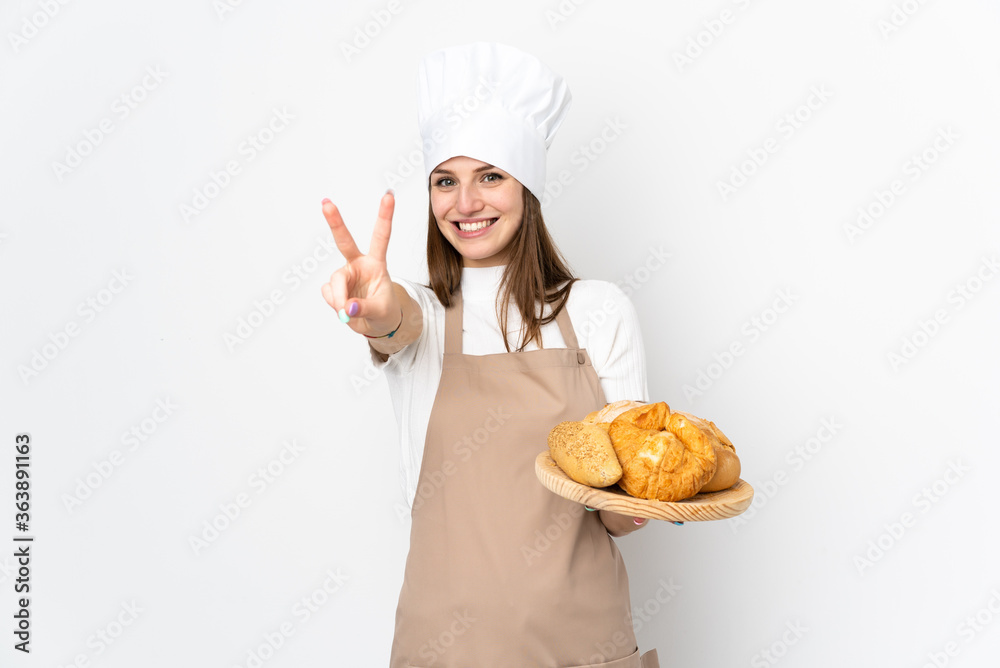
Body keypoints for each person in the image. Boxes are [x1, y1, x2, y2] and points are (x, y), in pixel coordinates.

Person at [321, 42, 661, 668]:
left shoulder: (598, 310)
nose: (466, 203)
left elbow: (620, 518)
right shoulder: (421, 314)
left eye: (491, 176)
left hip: (582, 644)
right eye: (445, 181)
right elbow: (395, 326)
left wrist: (645, 499)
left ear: (526, 187)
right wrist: (374, 309)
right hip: (443, 648)